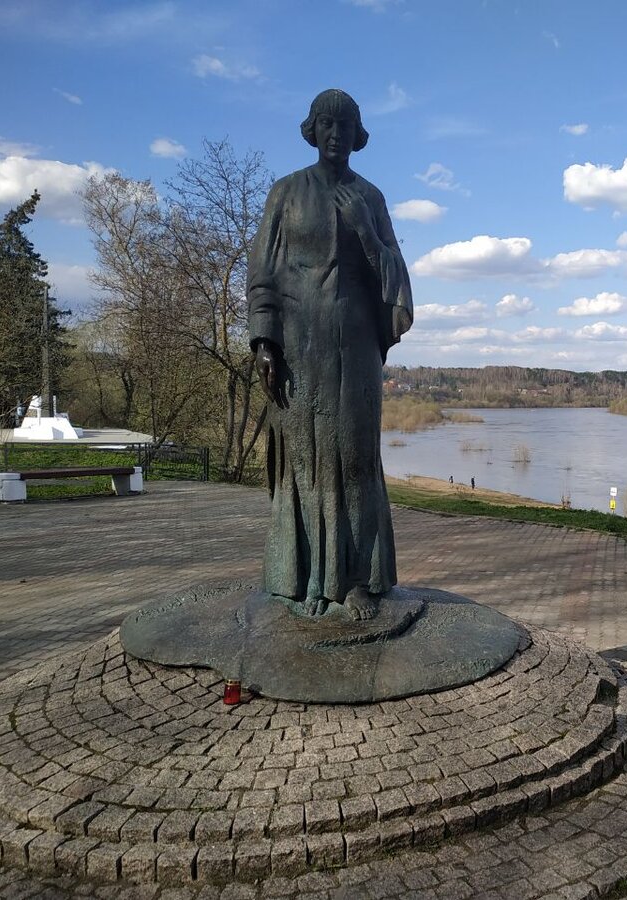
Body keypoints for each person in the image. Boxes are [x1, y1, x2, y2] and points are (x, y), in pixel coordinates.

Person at [248, 89, 413, 621]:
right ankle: (302, 580)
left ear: (357, 135)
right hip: (299, 352)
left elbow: (397, 278)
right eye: (327, 123)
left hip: (357, 350)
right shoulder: (286, 193)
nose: (336, 133)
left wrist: (366, 231)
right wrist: (264, 341)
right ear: (313, 130)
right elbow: (262, 275)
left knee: (356, 459)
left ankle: (359, 581)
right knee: (309, 462)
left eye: (346, 125)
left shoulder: (371, 197)